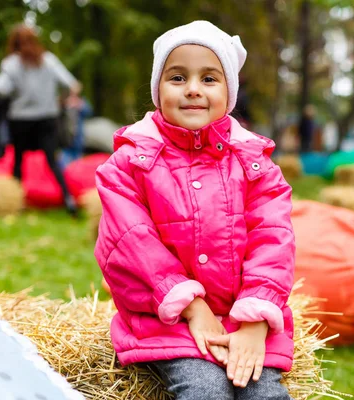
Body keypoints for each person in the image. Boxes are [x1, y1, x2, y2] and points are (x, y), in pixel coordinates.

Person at [94, 21, 295, 400]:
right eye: (177, 77)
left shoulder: (256, 166)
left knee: (263, 392)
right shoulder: (129, 165)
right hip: (167, 320)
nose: (192, 89)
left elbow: (275, 239)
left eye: (208, 79)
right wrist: (191, 306)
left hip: (246, 317)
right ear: (157, 90)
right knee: (205, 390)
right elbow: (129, 243)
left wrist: (254, 320)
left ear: (228, 92)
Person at [0, 24, 81, 216]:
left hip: (21, 120)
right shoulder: (49, 61)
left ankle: (15, 203)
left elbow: (1, 89)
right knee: (52, 160)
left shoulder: (11, 64)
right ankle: (68, 199)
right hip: (47, 119)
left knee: (18, 160)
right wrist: (60, 101)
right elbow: (72, 85)